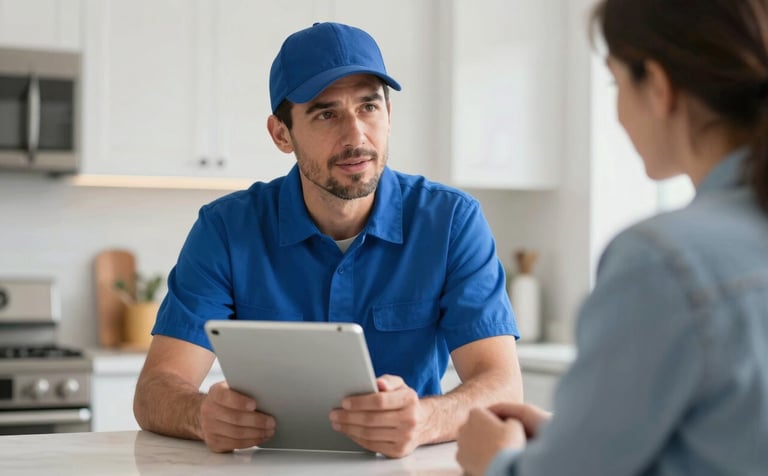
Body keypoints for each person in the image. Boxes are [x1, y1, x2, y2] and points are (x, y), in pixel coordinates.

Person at [133, 21, 523, 458]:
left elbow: (501, 386)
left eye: (369, 107)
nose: (356, 136)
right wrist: (201, 414)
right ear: (282, 134)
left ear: (389, 116)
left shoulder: (451, 222)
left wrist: (425, 420)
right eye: (326, 113)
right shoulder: (225, 229)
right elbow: (156, 389)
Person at [456, 0, 768, 474]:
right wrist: (570, 436)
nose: (619, 111)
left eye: (615, 82)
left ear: (659, 88)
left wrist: (497, 461)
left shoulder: (662, 261)